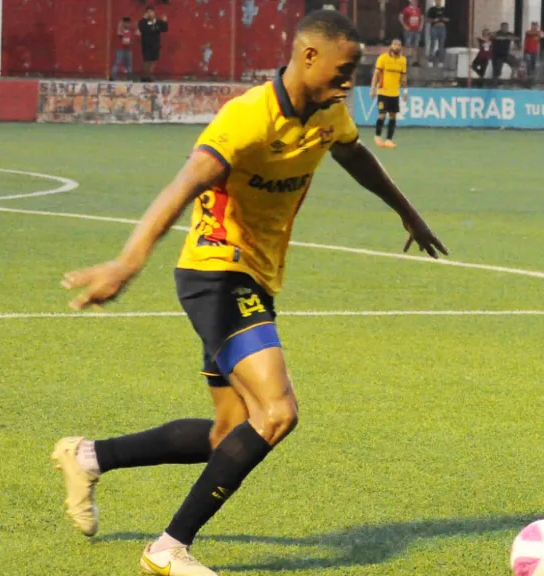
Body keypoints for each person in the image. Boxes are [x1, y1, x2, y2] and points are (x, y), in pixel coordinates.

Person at [52, 10, 448, 576]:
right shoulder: (246, 120)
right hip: (217, 274)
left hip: (252, 275)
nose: (349, 81)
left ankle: (89, 456)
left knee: (227, 434)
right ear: (308, 57)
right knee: (277, 412)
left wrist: (407, 213)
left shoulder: (330, 111)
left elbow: (353, 152)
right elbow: (181, 186)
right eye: (344, 69)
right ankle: (167, 548)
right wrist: (127, 261)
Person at [372, 38, 408, 149]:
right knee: (382, 115)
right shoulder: (383, 58)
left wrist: (405, 91)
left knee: (393, 116)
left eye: (399, 45)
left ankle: (388, 140)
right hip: (383, 91)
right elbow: (376, 74)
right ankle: (377, 136)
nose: (397, 47)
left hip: (395, 93)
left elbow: (403, 77)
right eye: (395, 45)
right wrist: (372, 89)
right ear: (391, 46)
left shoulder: (403, 60)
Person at [137, 7, 168, 82]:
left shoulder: (158, 22)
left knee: (153, 61)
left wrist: (165, 22)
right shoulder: (143, 22)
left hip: (155, 44)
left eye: (152, 12)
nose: (151, 14)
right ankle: (145, 76)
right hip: (146, 44)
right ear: (146, 13)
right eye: (149, 12)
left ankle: (149, 75)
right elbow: (141, 27)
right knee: (146, 60)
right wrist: (144, 18)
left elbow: (164, 29)